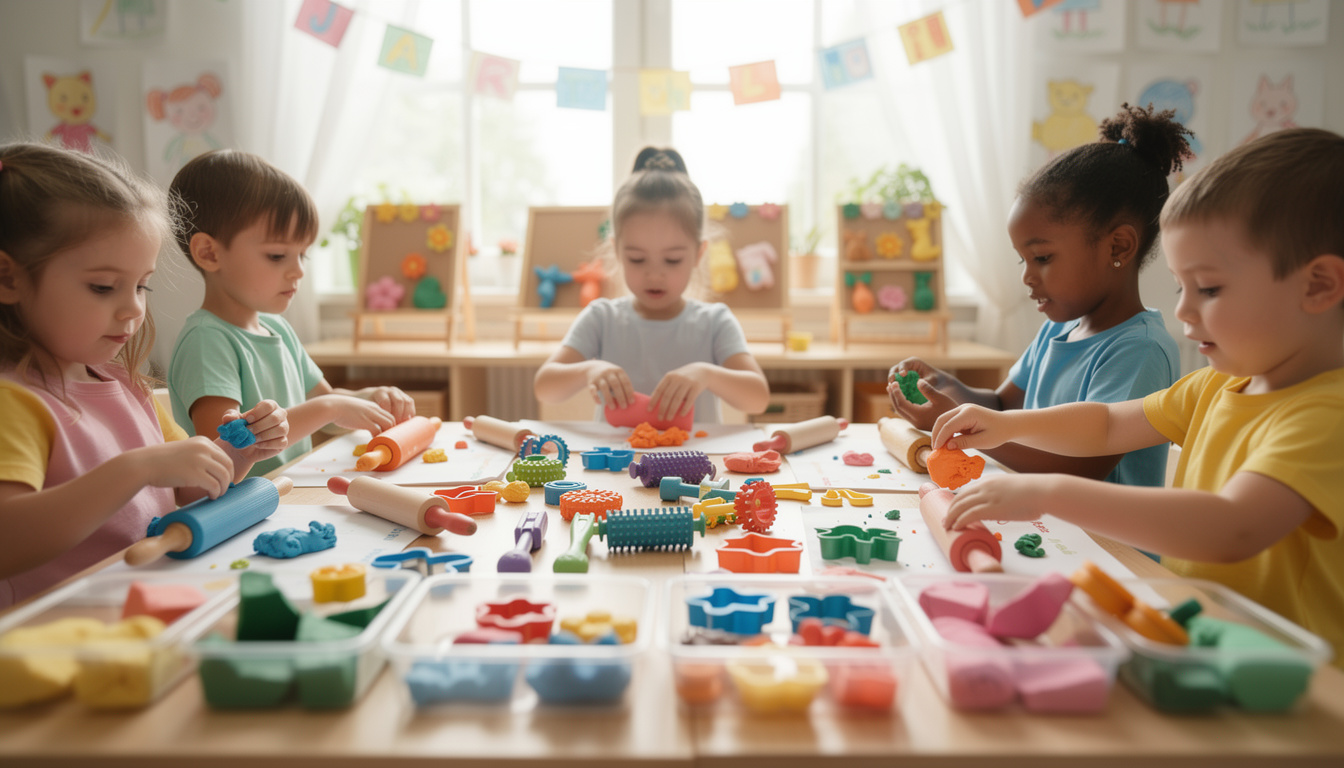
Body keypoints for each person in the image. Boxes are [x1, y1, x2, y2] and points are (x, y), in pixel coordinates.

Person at [933, 128, 1344, 665]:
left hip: (1293, 681)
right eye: (1181, 287)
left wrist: (1049, 493)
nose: (1183, 311)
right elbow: (1105, 424)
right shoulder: (1219, 384)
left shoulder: (1327, 414)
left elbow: (1231, 527)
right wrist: (1007, 425)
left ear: (1318, 286)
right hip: (1197, 641)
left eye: (1211, 289)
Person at [0, 142, 288, 608]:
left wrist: (238, 451)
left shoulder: (126, 384)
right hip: (56, 635)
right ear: (8, 278)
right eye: (103, 286)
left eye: (141, 285)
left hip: (147, 605)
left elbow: (184, 487)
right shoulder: (14, 402)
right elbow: (8, 541)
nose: (134, 307)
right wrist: (135, 469)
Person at [888, 104, 1188, 487]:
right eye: (1023, 261)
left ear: (1118, 247)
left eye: (1042, 258)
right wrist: (948, 390)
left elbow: (1081, 469)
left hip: (1106, 545)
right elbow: (1001, 407)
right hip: (1044, 528)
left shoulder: (1139, 350)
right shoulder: (1057, 331)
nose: (1029, 277)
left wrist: (965, 429)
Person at [168, 149, 414, 476]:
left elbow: (328, 406)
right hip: (241, 513)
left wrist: (368, 399)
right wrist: (330, 408)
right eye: (277, 255)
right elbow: (224, 453)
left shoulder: (277, 329)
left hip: (287, 496)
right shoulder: (206, 342)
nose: (297, 271)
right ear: (209, 253)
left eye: (303, 255)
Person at [533, 147, 770, 423]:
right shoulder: (602, 319)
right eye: (637, 259)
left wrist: (708, 374)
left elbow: (758, 399)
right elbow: (544, 387)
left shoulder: (714, 322)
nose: (654, 275)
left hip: (691, 464)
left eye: (672, 260)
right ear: (618, 252)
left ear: (699, 254)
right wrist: (588, 371)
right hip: (618, 465)